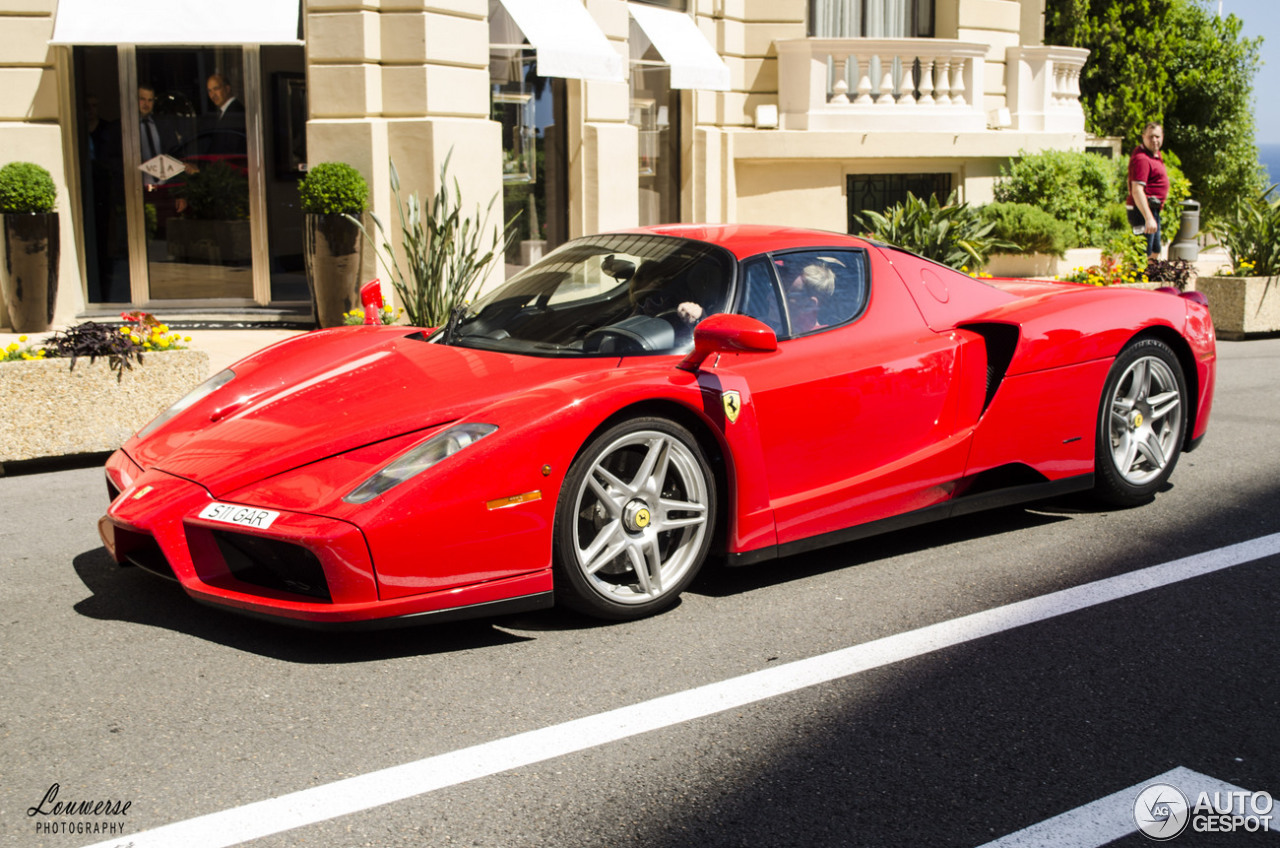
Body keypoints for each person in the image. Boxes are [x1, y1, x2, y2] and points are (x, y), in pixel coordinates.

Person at [1126, 122, 1169, 261]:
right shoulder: (1142, 158)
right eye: (1150, 137)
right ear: (1143, 137)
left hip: (1152, 209)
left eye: (1157, 136)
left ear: (1162, 137)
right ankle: (1139, 280)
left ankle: (1150, 280)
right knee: (1142, 252)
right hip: (1143, 210)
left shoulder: (1155, 155)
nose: (1154, 140)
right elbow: (1137, 190)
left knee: (1154, 251)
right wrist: (1148, 217)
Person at [200, 73, 246, 156]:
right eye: (209, 91)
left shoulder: (235, 112)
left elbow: (232, 150)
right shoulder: (225, 111)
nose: (213, 95)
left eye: (216, 89)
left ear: (227, 88)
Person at [787, 262, 835, 334]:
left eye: (790, 294)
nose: (783, 297)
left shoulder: (821, 339)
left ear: (810, 305)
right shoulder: (785, 330)